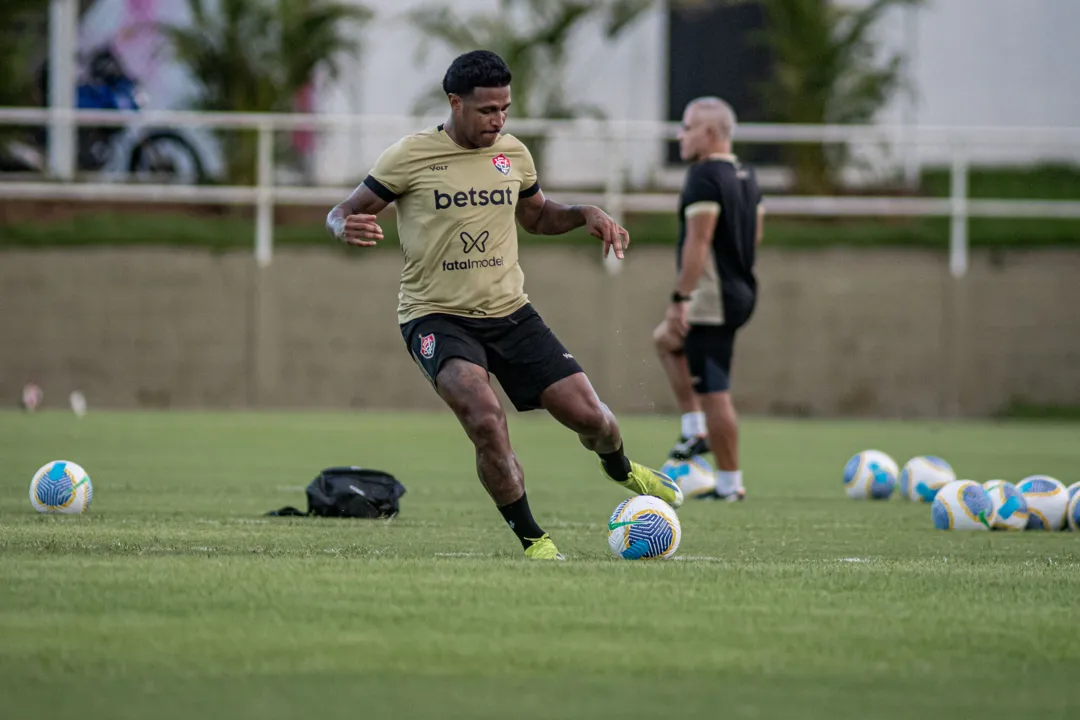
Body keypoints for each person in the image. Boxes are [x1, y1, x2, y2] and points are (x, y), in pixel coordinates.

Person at [326, 50, 682, 560]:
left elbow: (537, 217)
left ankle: (623, 468)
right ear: (455, 103)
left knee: (593, 420)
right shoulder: (407, 156)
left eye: (505, 109)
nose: (498, 120)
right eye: (487, 110)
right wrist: (343, 225)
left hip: (511, 313)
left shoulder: (512, 154)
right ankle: (535, 540)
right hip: (435, 317)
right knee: (485, 417)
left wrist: (586, 213)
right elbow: (343, 209)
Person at [652, 97, 764, 501]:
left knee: (715, 390)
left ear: (711, 133)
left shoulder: (703, 177)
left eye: (687, 127)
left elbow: (698, 243)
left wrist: (681, 297)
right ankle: (694, 428)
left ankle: (731, 484)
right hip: (742, 289)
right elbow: (755, 236)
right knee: (666, 340)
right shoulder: (746, 174)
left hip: (712, 298)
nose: (680, 135)